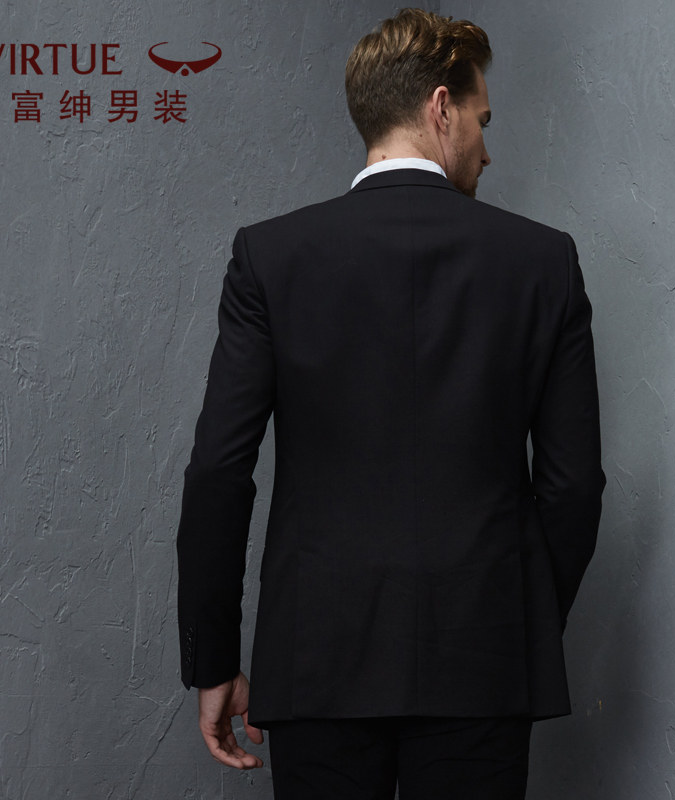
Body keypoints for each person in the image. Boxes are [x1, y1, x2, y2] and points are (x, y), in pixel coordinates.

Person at [176, 8, 606, 798]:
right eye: (481, 120)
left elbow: (218, 472)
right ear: (441, 108)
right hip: (483, 659)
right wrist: (515, 619)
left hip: (316, 659)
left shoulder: (271, 257)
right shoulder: (542, 261)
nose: (487, 147)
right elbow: (573, 484)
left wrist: (214, 660)